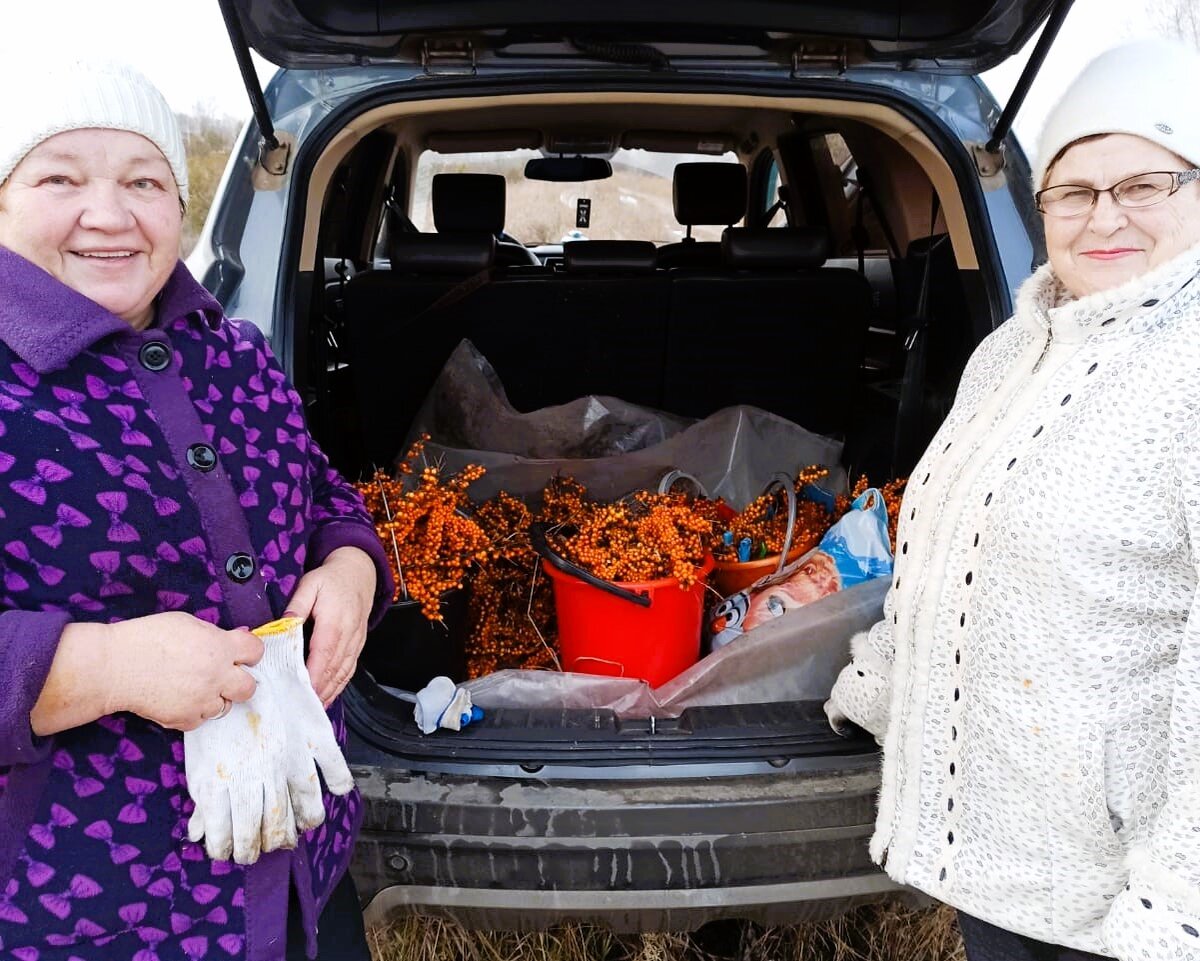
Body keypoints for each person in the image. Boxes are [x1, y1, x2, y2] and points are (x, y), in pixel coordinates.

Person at [0, 57, 394, 960]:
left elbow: (320, 489)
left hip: (296, 858)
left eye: (143, 180)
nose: (109, 213)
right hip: (89, 908)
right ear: (3, 200)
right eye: (61, 178)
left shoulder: (237, 354)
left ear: (180, 203)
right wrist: (97, 666)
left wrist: (350, 568)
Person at [826, 37, 1200, 961]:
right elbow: (954, 541)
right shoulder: (1014, 346)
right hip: (1005, 849)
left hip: (1126, 885)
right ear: (1039, 208)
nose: (1103, 216)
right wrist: (881, 672)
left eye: (1146, 185)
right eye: (1073, 191)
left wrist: (1177, 905)